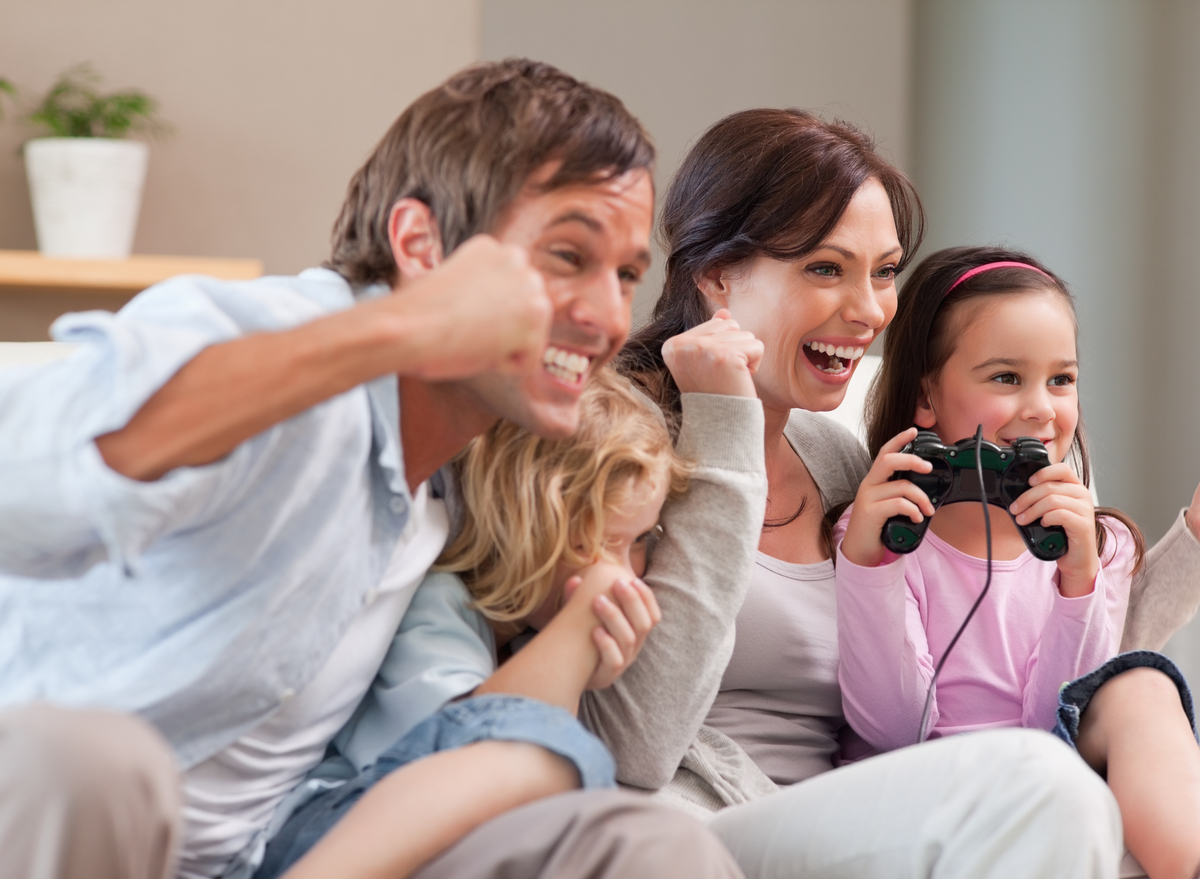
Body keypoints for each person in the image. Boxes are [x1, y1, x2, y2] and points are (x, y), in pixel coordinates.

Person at [0, 60, 747, 879]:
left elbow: (555, 738)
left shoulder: (462, 483)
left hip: (268, 849)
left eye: (627, 274)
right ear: (419, 245)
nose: (609, 316)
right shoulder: (273, 341)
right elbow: (27, 480)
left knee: (643, 842)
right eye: (567, 255)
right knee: (95, 758)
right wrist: (400, 328)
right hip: (61, 813)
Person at [609, 107, 1200, 879]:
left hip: (867, 816)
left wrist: (1187, 540)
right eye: (826, 268)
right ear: (717, 275)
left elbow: (1053, 665)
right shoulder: (621, 444)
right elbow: (638, 748)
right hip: (705, 828)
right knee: (1044, 788)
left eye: (884, 271)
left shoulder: (834, 456)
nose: (870, 310)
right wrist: (722, 425)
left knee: (1111, 810)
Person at [836, 246, 1200, 879]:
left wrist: (1076, 583)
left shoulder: (1096, 544)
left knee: (1144, 684)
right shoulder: (881, 535)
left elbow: (1054, 726)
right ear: (927, 394)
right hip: (917, 795)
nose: (1041, 407)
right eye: (1007, 378)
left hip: (1052, 778)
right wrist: (872, 566)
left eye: (1061, 379)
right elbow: (894, 732)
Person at [248, 368, 691, 879]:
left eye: (638, 541)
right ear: (518, 529)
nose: (620, 572)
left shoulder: (524, 635)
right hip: (327, 830)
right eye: (589, 543)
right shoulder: (439, 600)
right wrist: (575, 644)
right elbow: (480, 751)